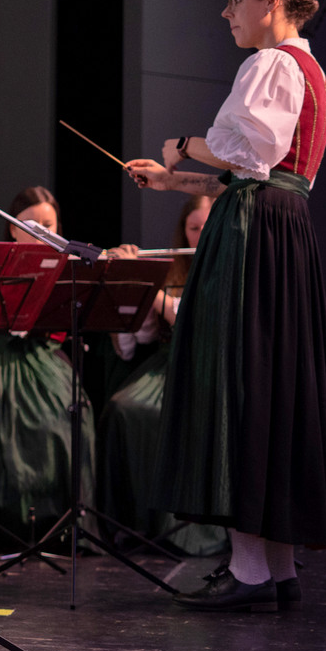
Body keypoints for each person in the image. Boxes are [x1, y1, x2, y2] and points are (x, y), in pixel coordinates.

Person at [127, 0, 326, 612]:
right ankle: (276, 569)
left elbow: (247, 153)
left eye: (236, 0)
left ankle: (250, 570)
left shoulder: (271, 63)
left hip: (254, 232)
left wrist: (184, 144)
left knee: (238, 380)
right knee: (267, 382)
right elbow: (256, 171)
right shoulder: (310, 70)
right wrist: (171, 179)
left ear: (272, 0)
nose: (226, 14)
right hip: (279, 226)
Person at [0, 186, 92, 551]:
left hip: (42, 360)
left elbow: (62, 327)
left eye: (48, 225)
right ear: (12, 228)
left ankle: (58, 526)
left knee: (65, 417)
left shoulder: (68, 265)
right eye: (31, 225)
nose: (41, 232)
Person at [96, 195, 227, 557]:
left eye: (207, 227)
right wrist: (126, 286)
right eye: (193, 228)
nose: (200, 235)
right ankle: (133, 523)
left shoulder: (230, 270)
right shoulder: (172, 272)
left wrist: (145, 283)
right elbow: (137, 343)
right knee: (122, 409)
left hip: (209, 371)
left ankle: (184, 527)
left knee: (182, 416)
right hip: (164, 368)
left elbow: (189, 321)